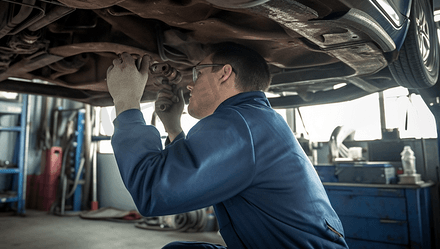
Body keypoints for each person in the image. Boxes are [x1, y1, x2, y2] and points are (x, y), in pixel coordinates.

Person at [106, 42, 348, 249]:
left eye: (198, 73)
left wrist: (126, 101)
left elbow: (152, 191)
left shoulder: (240, 124)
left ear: (224, 73)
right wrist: (173, 128)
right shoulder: (252, 120)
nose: (191, 85)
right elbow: (198, 174)